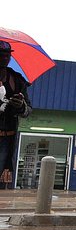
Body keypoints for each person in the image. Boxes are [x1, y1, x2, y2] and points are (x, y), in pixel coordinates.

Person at [0, 40, 32, 189]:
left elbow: (28, 110)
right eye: (1, 55)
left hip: (7, 137)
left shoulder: (17, 80)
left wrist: (20, 106)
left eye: (7, 55)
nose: (4, 58)